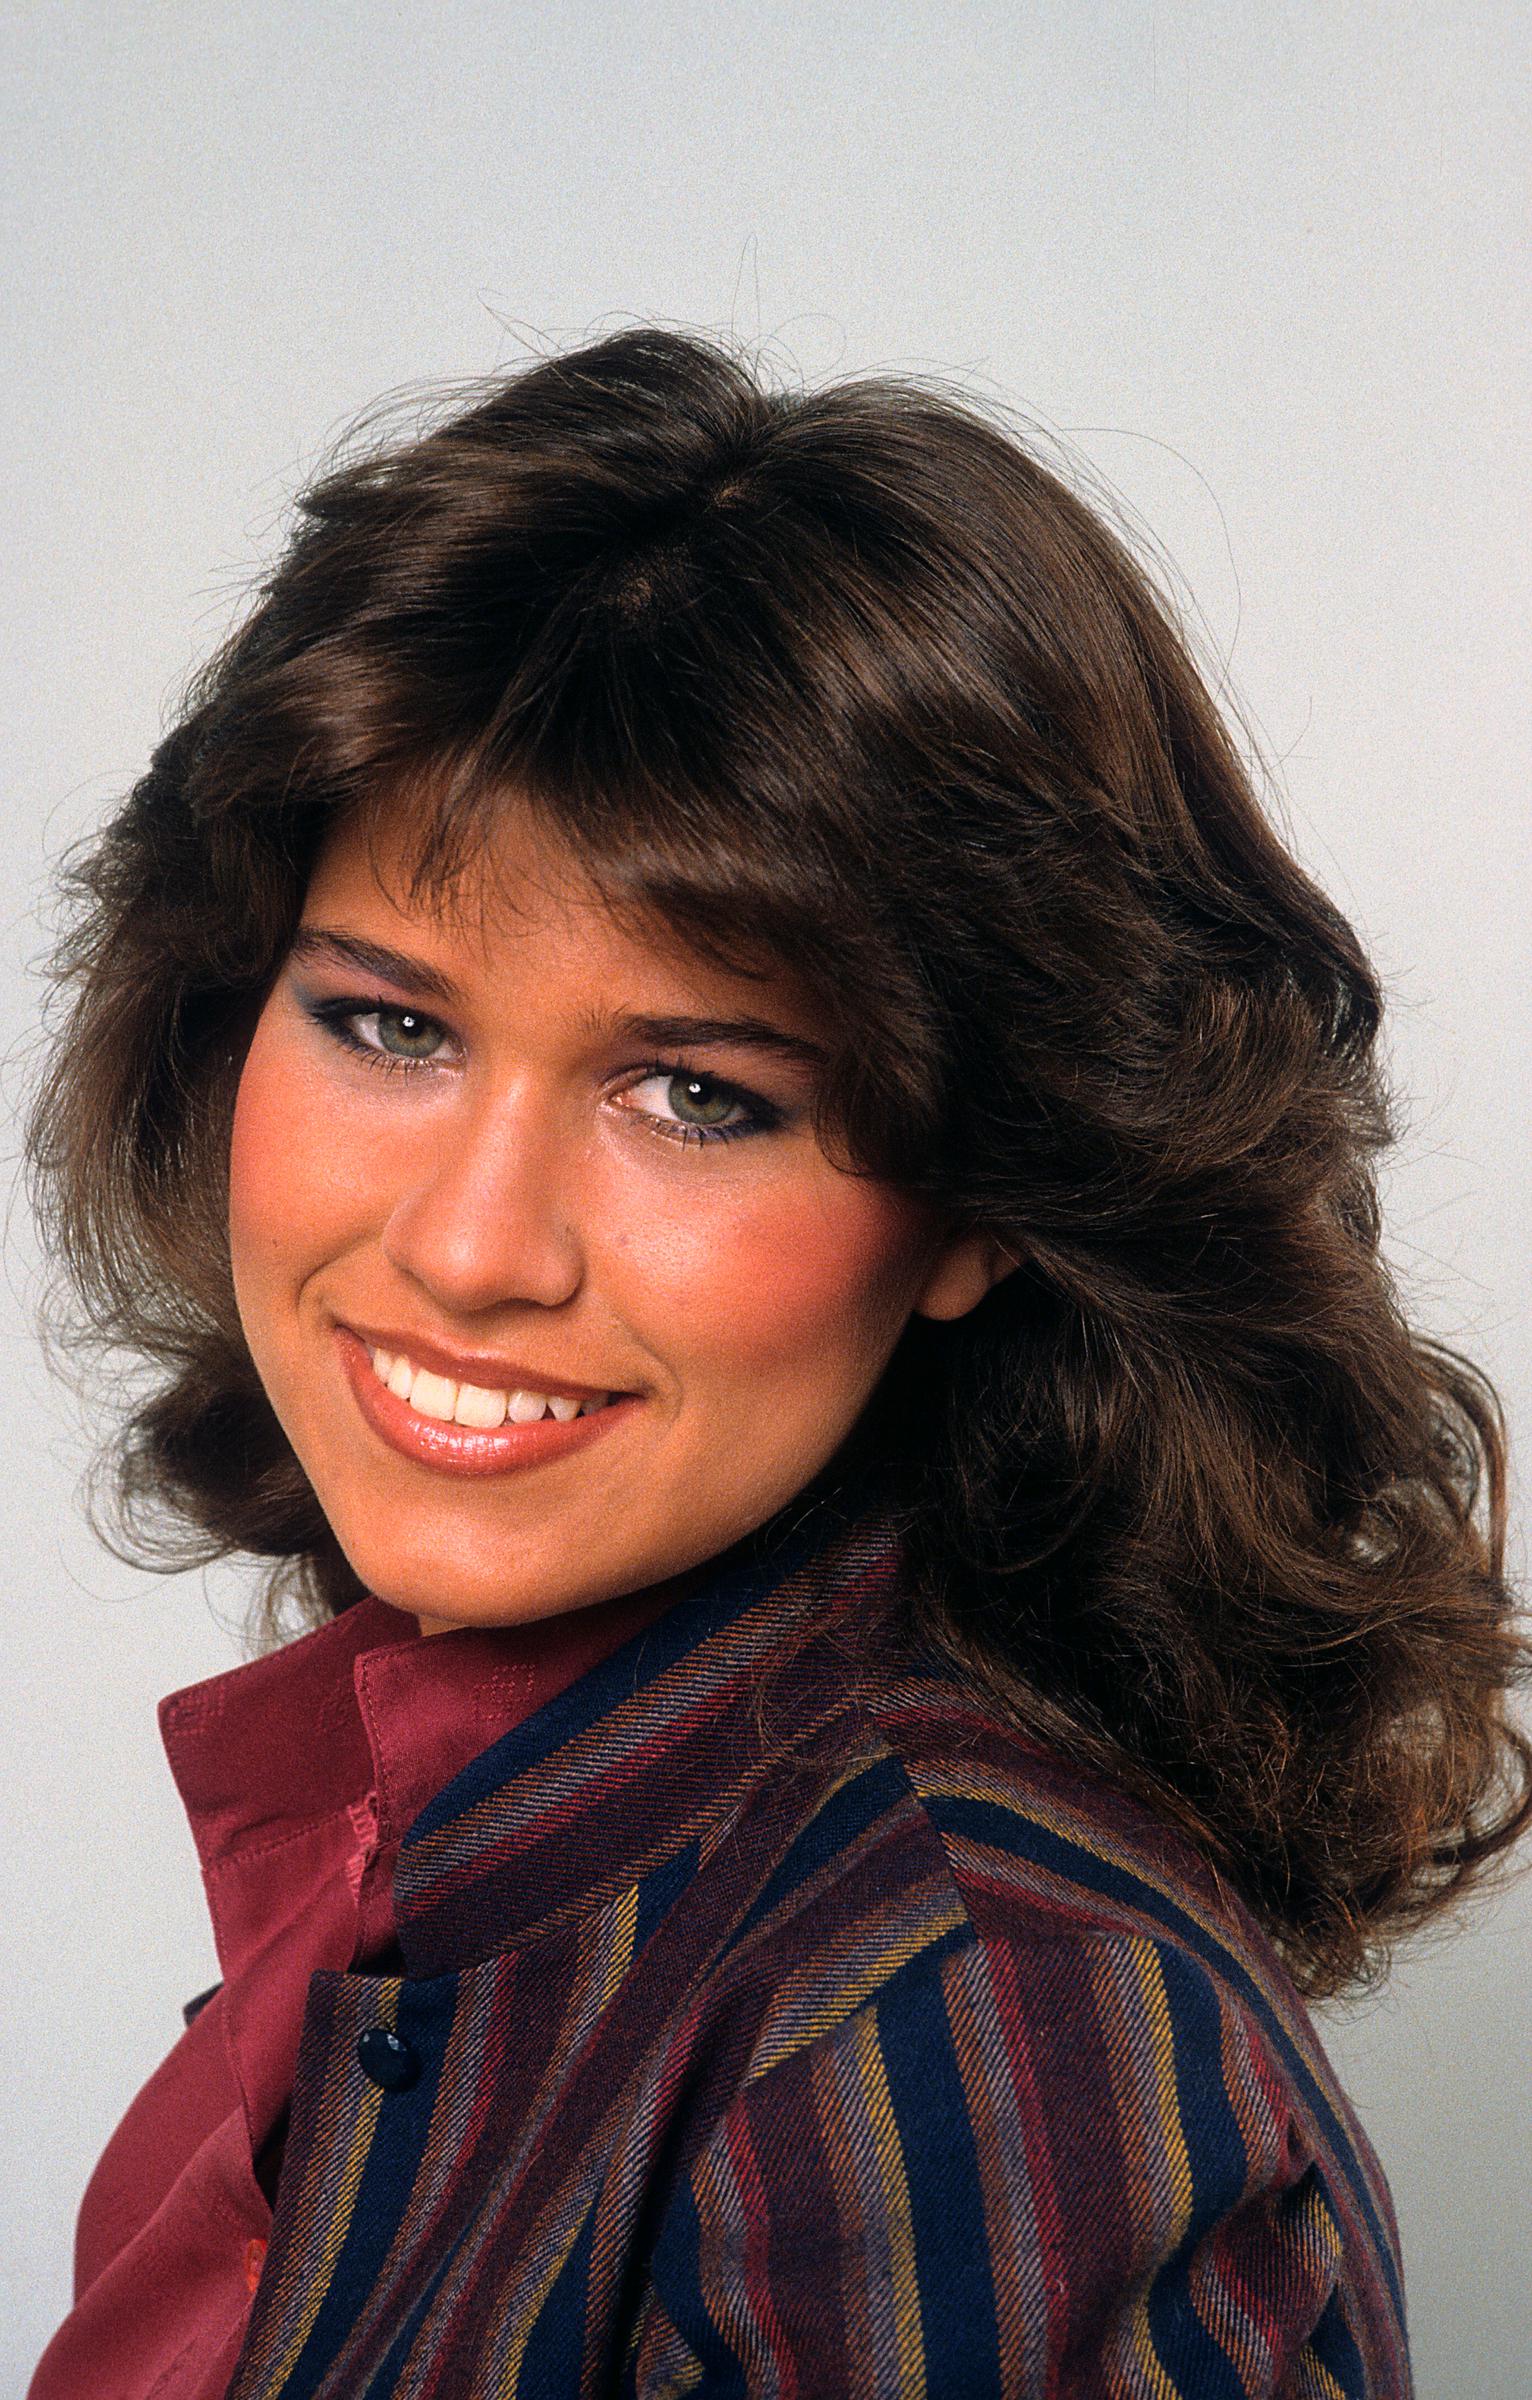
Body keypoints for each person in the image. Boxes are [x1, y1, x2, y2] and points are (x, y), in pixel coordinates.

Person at [24, 328, 1529, 2400]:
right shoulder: (477, 1854)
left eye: (698, 1095)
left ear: (988, 1195)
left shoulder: (973, 2026)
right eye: (389, 1024)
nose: (468, 1247)